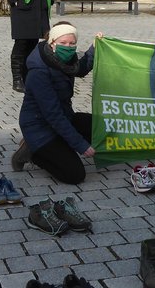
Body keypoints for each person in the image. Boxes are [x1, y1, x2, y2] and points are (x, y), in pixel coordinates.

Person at [11, 22, 99, 185]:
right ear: (52, 43)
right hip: (39, 127)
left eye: (72, 43)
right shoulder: (39, 72)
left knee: (100, 128)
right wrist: (80, 145)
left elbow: (81, 68)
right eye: (63, 43)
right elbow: (53, 115)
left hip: (64, 118)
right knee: (75, 174)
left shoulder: (66, 60)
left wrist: (95, 47)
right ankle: (32, 152)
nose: (68, 47)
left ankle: (60, 144)